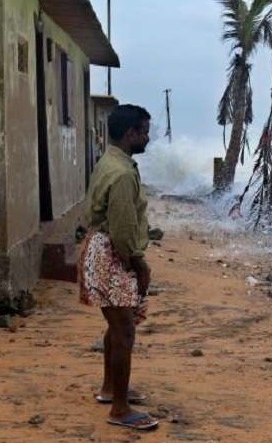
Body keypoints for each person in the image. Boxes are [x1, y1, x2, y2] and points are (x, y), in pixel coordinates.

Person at [78, 104, 158, 431]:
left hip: (100, 248)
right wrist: (140, 266)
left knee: (116, 324)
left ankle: (111, 389)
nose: (148, 137)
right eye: (144, 131)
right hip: (113, 253)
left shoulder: (110, 160)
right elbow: (124, 232)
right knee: (124, 329)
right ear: (130, 134)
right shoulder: (123, 173)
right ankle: (120, 409)